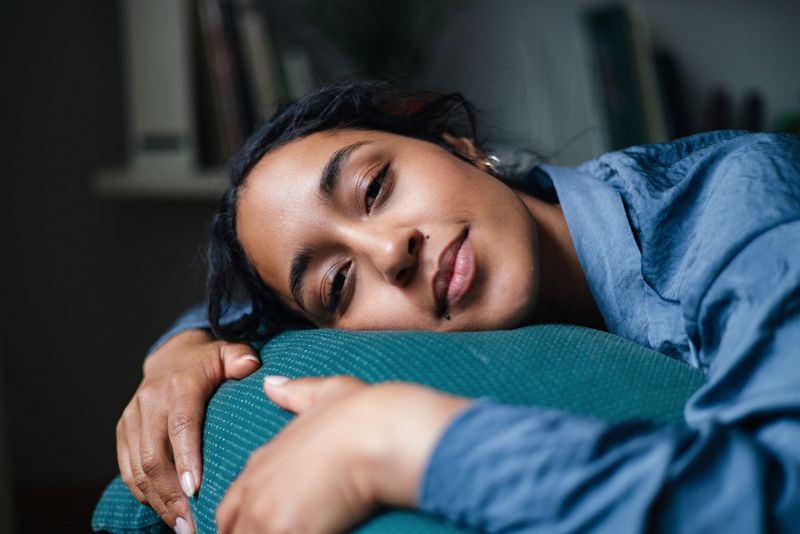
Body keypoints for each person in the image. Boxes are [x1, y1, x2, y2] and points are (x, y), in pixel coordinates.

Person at [115, 81, 800, 534]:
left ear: (458, 147)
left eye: (376, 186)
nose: (391, 252)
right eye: (338, 285)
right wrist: (177, 352)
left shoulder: (741, 205)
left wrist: (395, 442)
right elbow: (242, 316)